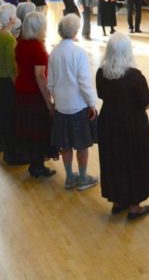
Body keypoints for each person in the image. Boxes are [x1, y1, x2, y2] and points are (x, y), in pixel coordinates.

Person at [97, 33, 149, 220]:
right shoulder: (135, 76)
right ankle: (134, 206)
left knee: (114, 160)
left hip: (108, 122)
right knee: (134, 161)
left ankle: (118, 201)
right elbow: (146, 102)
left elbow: (100, 95)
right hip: (132, 124)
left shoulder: (101, 73)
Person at [47, 14, 100, 192]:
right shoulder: (79, 53)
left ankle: (70, 177)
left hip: (61, 105)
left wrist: (54, 101)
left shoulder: (54, 52)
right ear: (76, 31)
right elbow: (84, 82)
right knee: (82, 144)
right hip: (78, 105)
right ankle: (83, 177)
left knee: (65, 144)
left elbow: (51, 82)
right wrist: (92, 104)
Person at [14, 12, 56, 179]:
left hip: (21, 91)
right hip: (34, 94)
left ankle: (34, 163)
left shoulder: (20, 43)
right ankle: (38, 166)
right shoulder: (37, 47)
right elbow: (40, 76)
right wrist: (48, 102)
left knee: (28, 130)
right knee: (39, 131)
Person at [0, 3, 26, 165]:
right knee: (12, 118)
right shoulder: (8, 38)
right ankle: (14, 154)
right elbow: (13, 67)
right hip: (8, 81)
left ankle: (10, 152)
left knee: (5, 116)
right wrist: (18, 87)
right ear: (11, 19)